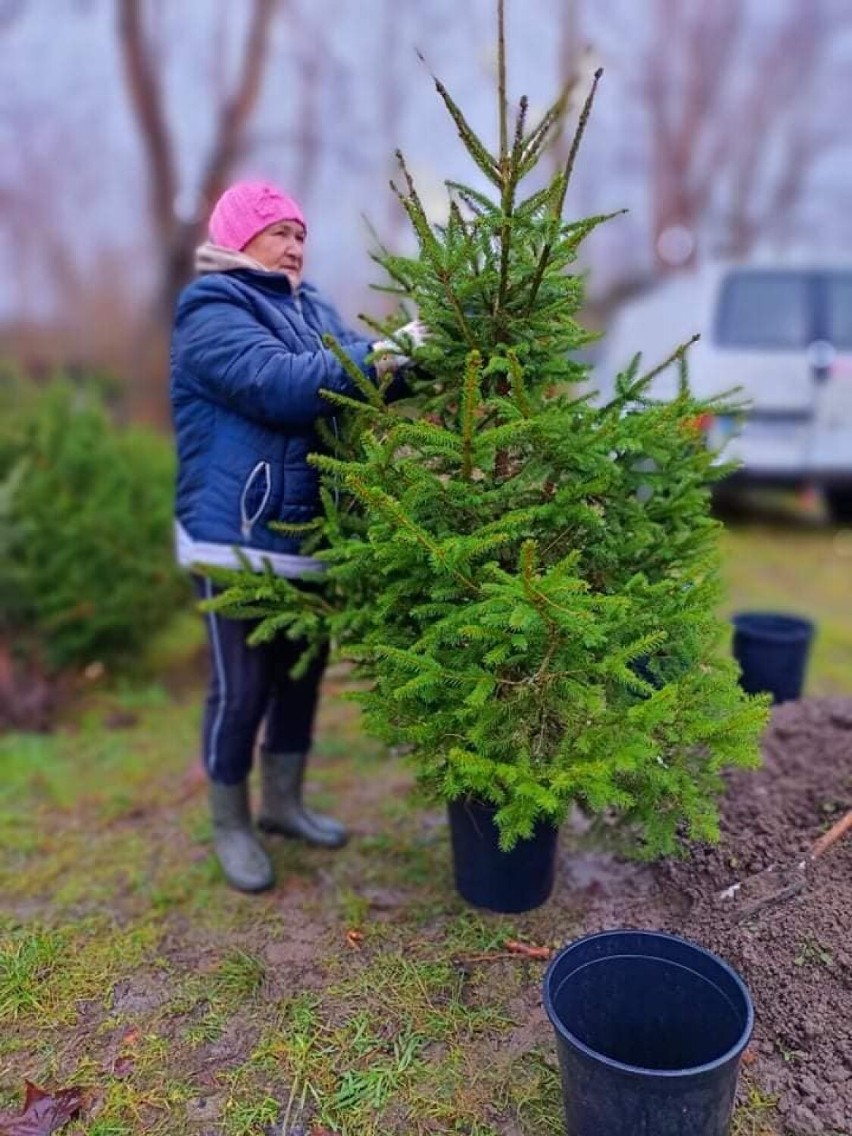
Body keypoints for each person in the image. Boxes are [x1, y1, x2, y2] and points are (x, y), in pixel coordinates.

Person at [170, 180, 424, 893]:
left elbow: (355, 372)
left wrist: (422, 357)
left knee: (300, 682)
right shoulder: (211, 309)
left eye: (302, 236)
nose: (294, 246)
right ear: (237, 238)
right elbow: (281, 384)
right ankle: (231, 823)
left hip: (310, 538)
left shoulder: (312, 307)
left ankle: (283, 803)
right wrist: (382, 350)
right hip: (237, 537)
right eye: (279, 232)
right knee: (241, 690)